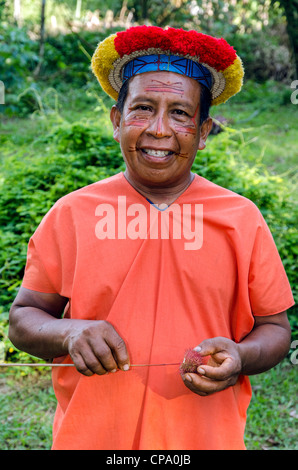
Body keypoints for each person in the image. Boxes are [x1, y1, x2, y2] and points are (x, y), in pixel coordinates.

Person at [9, 26, 294, 450]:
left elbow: (275, 329)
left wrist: (241, 357)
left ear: (203, 130)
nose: (159, 129)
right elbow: (23, 318)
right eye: (142, 108)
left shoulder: (241, 219)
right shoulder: (72, 213)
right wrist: (69, 332)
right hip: (90, 439)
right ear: (116, 120)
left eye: (180, 113)